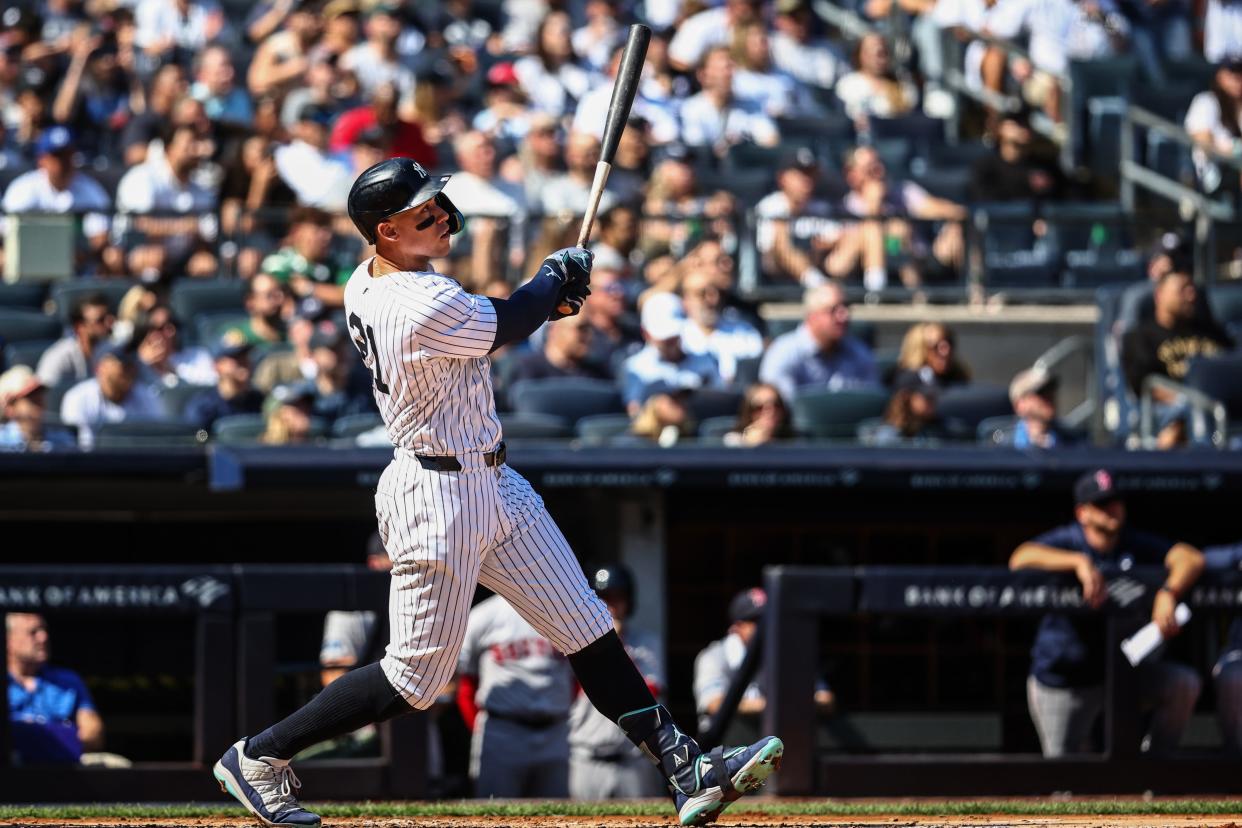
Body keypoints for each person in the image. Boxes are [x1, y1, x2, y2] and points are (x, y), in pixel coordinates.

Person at [212, 157, 783, 828]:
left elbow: (504, 319)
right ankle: (258, 756)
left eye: (438, 203)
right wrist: (549, 283)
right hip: (434, 492)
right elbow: (503, 324)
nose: (443, 216)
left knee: (588, 628)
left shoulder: (377, 278)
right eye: (424, 211)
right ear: (386, 231)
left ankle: (683, 765)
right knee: (414, 680)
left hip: (492, 480)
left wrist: (546, 299)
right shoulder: (410, 301)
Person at [1009, 469, 1204, 757]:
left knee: (1182, 683)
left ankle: (1156, 769)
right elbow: (1020, 558)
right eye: (1101, 504)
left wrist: (1168, 592)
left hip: (1123, 670)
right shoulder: (1069, 540)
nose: (1112, 509)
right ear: (1082, 513)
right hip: (1065, 678)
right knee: (1066, 782)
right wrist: (1077, 562)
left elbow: (1190, 557)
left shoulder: (1132, 542)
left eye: (1115, 501)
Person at [456, 594, 574, 798]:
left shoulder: (564, 612)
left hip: (555, 732)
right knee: (494, 813)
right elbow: (464, 683)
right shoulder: (485, 615)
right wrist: (477, 728)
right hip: (503, 731)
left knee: (556, 814)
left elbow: (577, 680)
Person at [569, 564, 665, 800]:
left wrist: (616, 646)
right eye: (603, 598)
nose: (610, 606)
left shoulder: (647, 644)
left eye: (617, 598)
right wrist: (601, 646)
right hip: (586, 757)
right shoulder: (573, 645)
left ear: (628, 601)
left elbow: (651, 691)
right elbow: (572, 691)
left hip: (634, 758)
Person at [694, 588, 834, 742]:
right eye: (756, 621)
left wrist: (790, 704)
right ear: (737, 626)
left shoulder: (787, 655)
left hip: (776, 750)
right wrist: (783, 705)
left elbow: (825, 698)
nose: (766, 627)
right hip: (725, 750)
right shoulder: (715, 656)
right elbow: (715, 703)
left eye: (770, 619)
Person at [1121, 268, 1235, 448]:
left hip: (1224, 410)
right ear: (1160, 295)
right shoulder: (1141, 337)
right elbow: (1145, 385)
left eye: (1192, 289)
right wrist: (1192, 402)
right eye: (1182, 289)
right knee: (1179, 421)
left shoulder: (1213, 333)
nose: (1191, 295)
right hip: (1172, 411)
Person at [6, 612, 105, 764]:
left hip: (62, 771)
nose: (43, 637)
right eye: (33, 632)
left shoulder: (68, 680)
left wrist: (39, 737)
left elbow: (93, 734)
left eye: (44, 630)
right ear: (8, 640)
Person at [759, 282, 879, 404]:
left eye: (846, 307)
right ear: (812, 316)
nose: (844, 316)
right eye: (833, 310)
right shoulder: (783, 353)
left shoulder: (859, 353)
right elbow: (779, 410)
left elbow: (870, 403)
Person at [621, 293, 722, 416]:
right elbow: (635, 413)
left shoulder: (706, 360)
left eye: (674, 336)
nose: (671, 341)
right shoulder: (636, 368)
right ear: (646, 333)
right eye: (664, 338)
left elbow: (720, 401)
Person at [59, 340, 164, 450]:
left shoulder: (146, 396)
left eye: (132, 362)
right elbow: (82, 450)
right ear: (101, 368)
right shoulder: (78, 397)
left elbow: (157, 443)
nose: (130, 369)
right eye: (122, 363)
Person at [679, 46, 779, 151]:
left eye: (732, 67)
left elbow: (771, 140)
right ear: (703, 75)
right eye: (723, 68)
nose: (729, 74)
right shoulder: (691, 109)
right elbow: (698, 149)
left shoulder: (751, 106)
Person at [679, 267, 764, 386]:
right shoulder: (676, 336)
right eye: (701, 293)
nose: (711, 299)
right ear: (685, 300)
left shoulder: (745, 332)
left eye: (715, 292)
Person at [969, 110, 1067, 203]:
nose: (1024, 127)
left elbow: (1065, 199)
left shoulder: (1045, 166)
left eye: (1026, 122)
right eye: (1017, 122)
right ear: (1001, 128)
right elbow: (985, 202)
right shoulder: (985, 167)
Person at [184, 333, 265, 433]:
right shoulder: (204, 406)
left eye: (246, 357)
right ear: (217, 366)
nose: (244, 363)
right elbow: (198, 438)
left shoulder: (259, 401)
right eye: (236, 358)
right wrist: (208, 441)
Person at [833, 33, 918, 124]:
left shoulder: (902, 84)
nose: (879, 59)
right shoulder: (847, 85)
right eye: (872, 52)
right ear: (861, 55)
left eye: (883, 53)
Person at [36, 293, 114, 388]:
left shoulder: (110, 351)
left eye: (108, 317)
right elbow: (44, 395)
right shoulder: (58, 357)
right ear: (79, 327)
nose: (108, 324)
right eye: (100, 320)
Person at [0, 366, 76, 452]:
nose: (39, 403)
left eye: (39, 396)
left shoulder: (63, 441)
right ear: (10, 408)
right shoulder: (1, 442)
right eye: (31, 399)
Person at [1006, 367, 1073, 449]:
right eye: (1040, 393)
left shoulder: (1075, 442)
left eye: (1050, 390)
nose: (1049, 397)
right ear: (1019, 405)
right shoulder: (1003, 445)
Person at [893, 322, 971, 390]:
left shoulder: (958, 378)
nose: (946, 352)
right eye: (935, 346)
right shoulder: (908, 383)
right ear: (920, 350)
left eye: (949, 343)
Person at [723, 383, 793, 447]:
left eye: (776, 405)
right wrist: (749, 444)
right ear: (749, 412)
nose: (770, 412)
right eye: (759, 407)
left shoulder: (794, 441)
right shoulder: (733, 440)